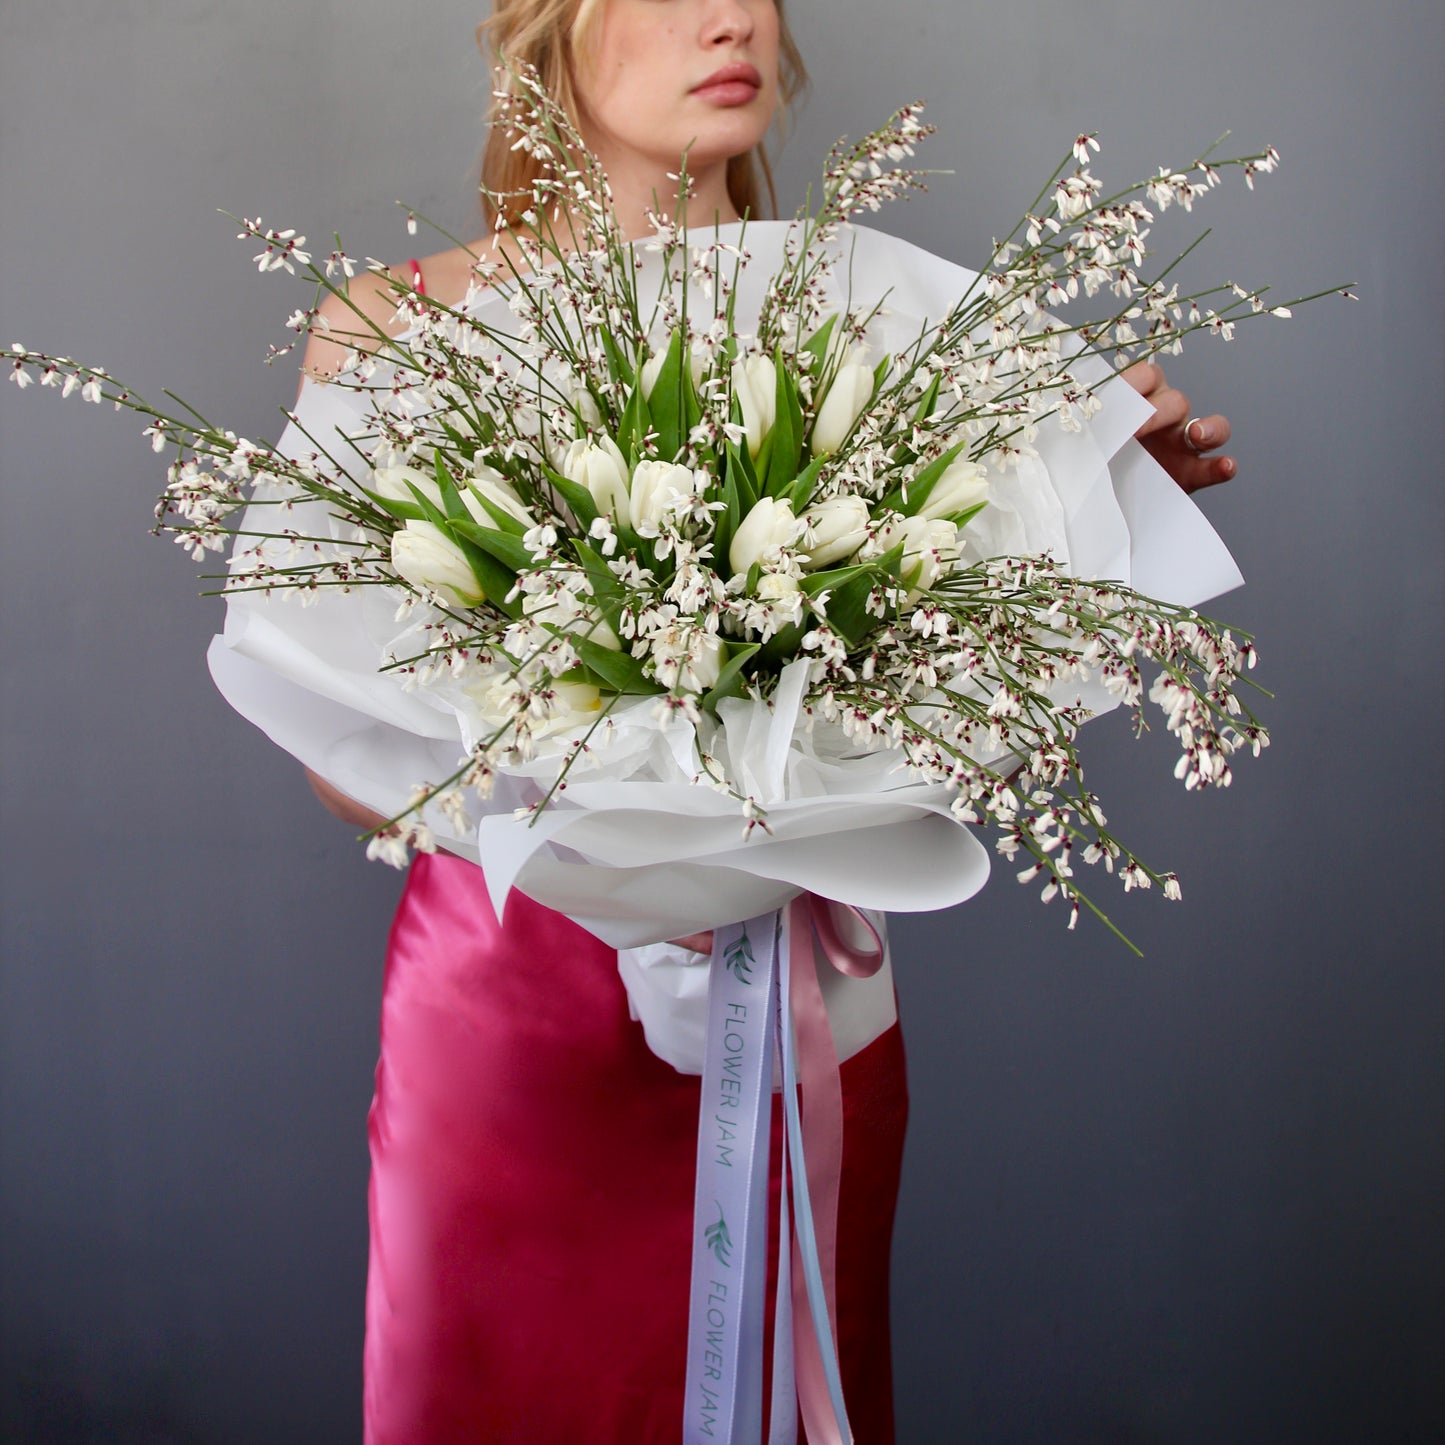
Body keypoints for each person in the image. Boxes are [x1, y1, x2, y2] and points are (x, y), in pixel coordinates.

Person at [296, 2, 1240, 1439]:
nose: (728, 14)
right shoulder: (399, 329)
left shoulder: (900, 336)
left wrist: (1102, 500)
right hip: (516, 1018)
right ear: (547, 27)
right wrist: (609, 830)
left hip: (804, 1005)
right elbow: (345, 767)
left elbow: (953, 677)